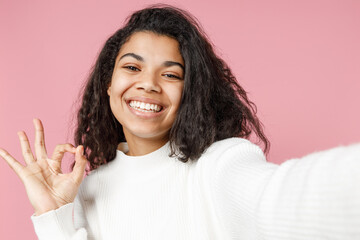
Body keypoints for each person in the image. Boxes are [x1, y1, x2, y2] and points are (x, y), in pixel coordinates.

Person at [1, 4, 359, 240]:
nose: (148, 84)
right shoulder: (87, 192)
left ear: (191, 92)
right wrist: (53, 216)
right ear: (108, 83)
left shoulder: (220, 164)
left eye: (171, 75)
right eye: (132, 67)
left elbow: (284, 198)